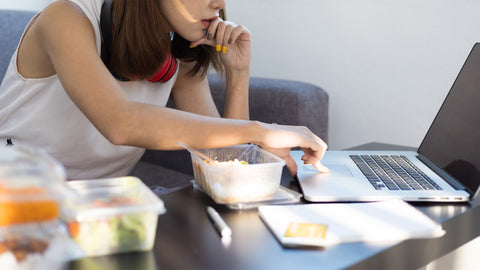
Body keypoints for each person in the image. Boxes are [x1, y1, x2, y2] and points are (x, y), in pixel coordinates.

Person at [0, 0, 328, 180]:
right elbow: (121, 123)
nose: (220, 3)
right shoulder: (64, 17)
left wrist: (238, 75)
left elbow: (225, 163)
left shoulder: (176, 53)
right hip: (15, 199)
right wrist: (262, 131)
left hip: (96, 210)